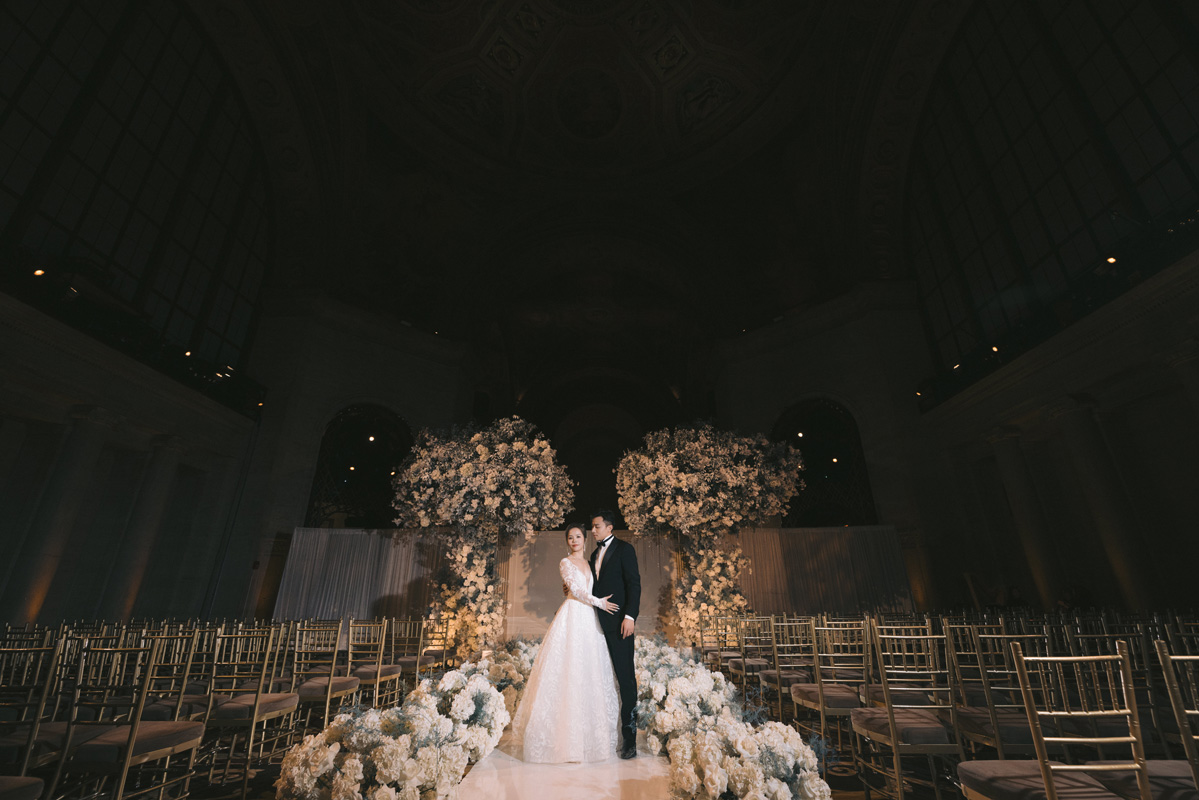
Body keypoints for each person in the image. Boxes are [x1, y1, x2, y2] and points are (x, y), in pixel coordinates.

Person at [509, 525, 621, 763]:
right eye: (570, 537)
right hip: (573, 615)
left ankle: (590, 741)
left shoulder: (591, 563)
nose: (574, 540)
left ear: (585, 539)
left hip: (590, 620)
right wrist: (599, 603)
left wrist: (601, 603)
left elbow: (593, 586)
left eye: (578, 536)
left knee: (588, 673)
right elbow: (577, 590)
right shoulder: (565, 562)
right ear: (567, 542)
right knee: (568, 670)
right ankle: (564, 743)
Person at [589, 510, 641, 760]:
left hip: (621, 625)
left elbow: (634, 584)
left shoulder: (625, 549)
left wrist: (630, 616)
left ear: (609, 527)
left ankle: (630, 740)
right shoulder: (592, 554)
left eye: (597, 526)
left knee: (626, 680)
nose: (593, 530)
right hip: (596, 626)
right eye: (592, 527)